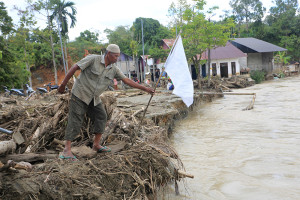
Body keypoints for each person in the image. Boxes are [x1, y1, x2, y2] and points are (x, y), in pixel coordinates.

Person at [58, 44, 154, 161]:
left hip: (94, 98)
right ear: (108, 54)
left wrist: (145, 89)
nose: (117, 59)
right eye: (115, 56)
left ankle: (96, 145)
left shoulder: (114, 69)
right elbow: (74, 67)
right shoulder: (93, 59)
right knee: (75, 120)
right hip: (80, 94)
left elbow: (127, 80)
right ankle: (66, 150)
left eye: (118, 56)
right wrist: (63, 85)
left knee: (101, 116)